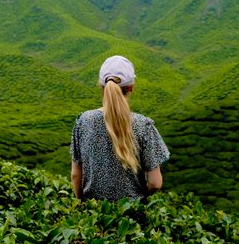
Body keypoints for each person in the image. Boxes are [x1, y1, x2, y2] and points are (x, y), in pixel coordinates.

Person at [70, 55, 169, 201]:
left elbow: (75, 174)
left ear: (101, 85)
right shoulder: (144, 125)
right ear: (131, 87)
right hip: (131, 217)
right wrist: (139, 199)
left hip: (93, 213)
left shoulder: (83, 121)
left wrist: (81, 203)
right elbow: (155, 183)